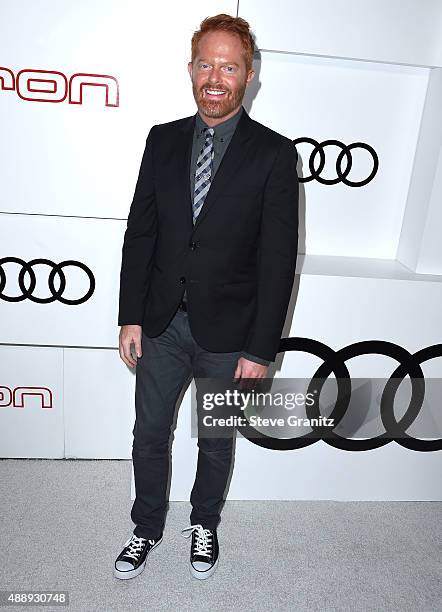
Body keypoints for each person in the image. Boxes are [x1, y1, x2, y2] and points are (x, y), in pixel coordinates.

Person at [114, 13, 299, 581]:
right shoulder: (162, 139)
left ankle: (204, 523)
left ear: (249, 76)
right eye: (205, 64)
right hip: (162, 324)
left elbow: (277, 262)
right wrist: (129, 317)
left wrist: (260, 350)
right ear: (190, 69)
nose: (214, 77)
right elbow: (140, 230)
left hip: (231, 335)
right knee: (149, 435)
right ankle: (145, 527)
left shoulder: (274, 154)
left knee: (215, 442)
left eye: (229, 66)